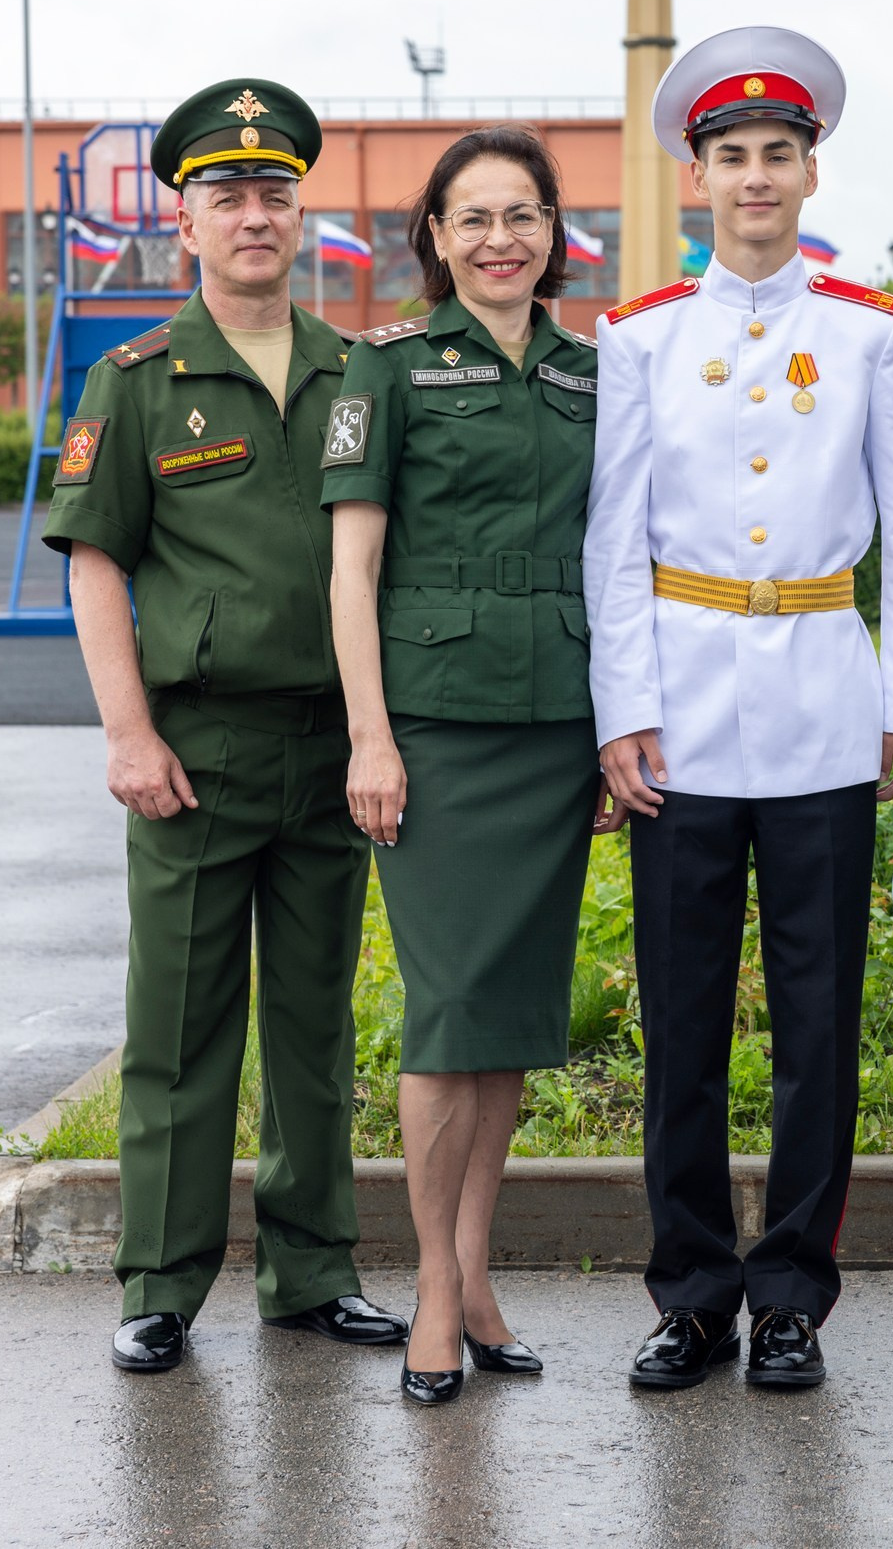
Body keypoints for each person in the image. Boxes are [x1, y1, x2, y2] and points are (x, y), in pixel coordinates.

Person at [588, 26, 893, 1393]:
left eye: (777, 154)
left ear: (809, 171)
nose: (754, 176)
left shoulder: (871, 332)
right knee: (681, 1021)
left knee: (816, 1019)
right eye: (730, 155)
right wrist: (622, 708)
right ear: (695, 177)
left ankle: (791, 1291)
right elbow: (613, 539)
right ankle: (690, 1293)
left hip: (819, 704)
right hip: (679, 704)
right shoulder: (641, 337)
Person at [44, 79, 407, 1373]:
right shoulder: (137, 381)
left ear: (300, 213)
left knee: (315, 1026)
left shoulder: (357, 371)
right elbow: (97, 565)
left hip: (329, 748)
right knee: (184, 1022)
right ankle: (160, 1280)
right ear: (183, 219)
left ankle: (312, 1273)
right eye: (225, 195)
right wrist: (126, 734)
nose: (254, 214)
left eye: (273, 192)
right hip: (197, 753)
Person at [321, 126, 616, 1405]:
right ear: (433, 238)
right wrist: (370, 735)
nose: (501, 239)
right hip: (433, 731)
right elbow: (351, 572)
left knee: (506, 1028)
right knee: (447, 1021)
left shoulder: (592, 374)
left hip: (555, 726)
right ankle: (435, 1288)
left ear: (557, 232)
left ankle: (477, 1270)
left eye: (524, 215)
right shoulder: (382, 368)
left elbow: (619, 565)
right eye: (473, 217)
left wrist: (614, 731)